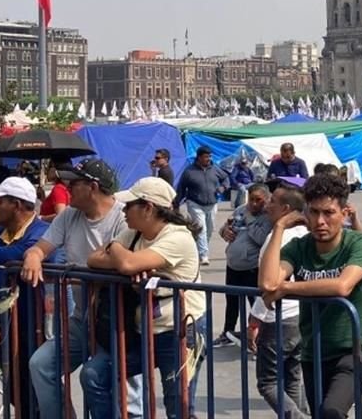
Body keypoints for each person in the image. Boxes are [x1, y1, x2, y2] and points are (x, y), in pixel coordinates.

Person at [82, 177, 206, 419]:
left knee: (178, 406)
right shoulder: (133, 233)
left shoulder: (178, 237)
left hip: (179, 330)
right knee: (94, 375)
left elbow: (127, 264)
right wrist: (121, 255)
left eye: (129, 205)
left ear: (148, 208)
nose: (124, 210)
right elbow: (93, 259)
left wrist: (116, 250)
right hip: (142, 330)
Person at [259, 173, 362, 419]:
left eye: (328, 213)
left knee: (331, 412)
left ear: (344, 213)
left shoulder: (360, 243)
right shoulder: (299, 247)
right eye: (313, 212)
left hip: (355, 350)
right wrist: (280, 226)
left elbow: (342, 286)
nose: (320, 221)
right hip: (314, 351)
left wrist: (287, 288)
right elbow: (269, 282)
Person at [21, 158, 133, 419]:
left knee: (121, 389)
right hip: (81, 318)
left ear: (92, 187)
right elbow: (40, 246)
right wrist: (34, 256)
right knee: (41, 364)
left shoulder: (124, 217)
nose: (66, 186)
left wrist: (93, 270)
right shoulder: (69, 215)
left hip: (117, 319)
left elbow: (123, 263)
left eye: (73, 182)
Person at [248, 183, 309, 419]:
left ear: (285, 209)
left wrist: (255, 320)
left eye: (272, 201)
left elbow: (268, 283)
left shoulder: (278, 239)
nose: (267, 205)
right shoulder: (302, 235)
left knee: (268, 382)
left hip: (279, 318)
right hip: (300, 316)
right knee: (293, 375)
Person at [215, 183, 271, 348]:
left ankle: (256, 339)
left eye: (258, 200)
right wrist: (225, 231)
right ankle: (227, 333)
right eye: (251, 199)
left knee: (256, 305)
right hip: (233, 265)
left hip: (252, 268)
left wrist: (250, 220)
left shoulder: (268, 217)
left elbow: (261, 238)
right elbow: (225, 228)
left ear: (266, 200)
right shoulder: (240, 209)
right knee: (231, 301)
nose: (253, 204)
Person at [174, 146, 229, 265]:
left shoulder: (215, 169)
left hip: (212, 204)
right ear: (199, 157)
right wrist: (176, 203)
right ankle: (203, 254)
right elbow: (182, 188)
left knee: (209, 229)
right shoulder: (189, 172)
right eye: (205, 157)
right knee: (202, 228)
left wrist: (223, 187)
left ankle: (200, 249)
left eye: (209, 156)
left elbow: (225, 178)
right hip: (195, 203)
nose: (208, 159)